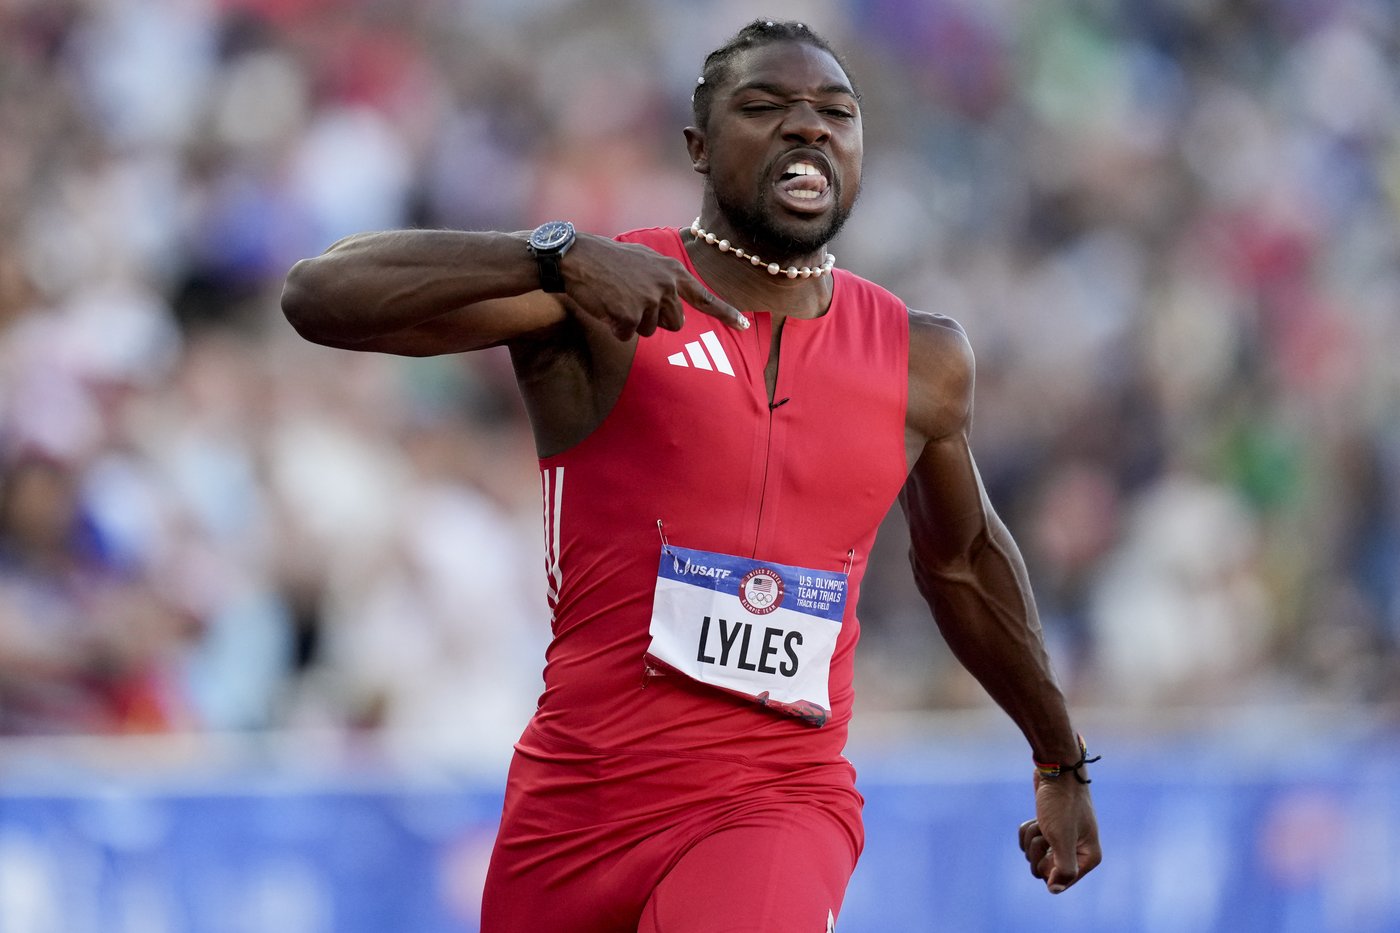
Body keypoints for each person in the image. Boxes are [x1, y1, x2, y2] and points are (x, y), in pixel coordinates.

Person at [281, 18, 1100, 932]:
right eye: (767, 107)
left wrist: (1059, 756)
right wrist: (552, 254)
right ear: (699, 149)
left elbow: (965, 563)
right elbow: (318, 297)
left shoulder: (920, 359)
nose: (809, 128)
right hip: (574, 806)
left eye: (837, 112)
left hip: (777, 799)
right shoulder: (599, 294)